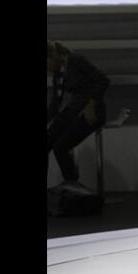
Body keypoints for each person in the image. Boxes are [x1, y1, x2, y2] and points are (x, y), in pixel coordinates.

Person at [47, 40, 110, 185]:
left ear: (52, 56)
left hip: (93, 110)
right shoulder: (58, 73)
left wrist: (91, 104)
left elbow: (103, 80)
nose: (48, 69)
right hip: (74, 109)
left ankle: (73, 186)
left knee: (60, 148)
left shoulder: (75, 60)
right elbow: (55, 103)